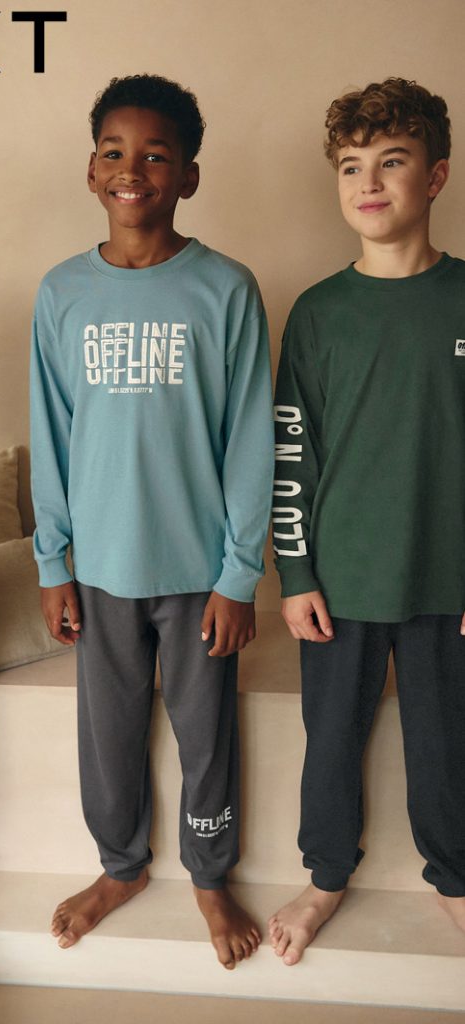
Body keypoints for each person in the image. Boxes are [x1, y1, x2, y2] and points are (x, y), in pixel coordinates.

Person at [31, 74, 274, 970]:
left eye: (156, 155)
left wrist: (238, 574)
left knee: (206, 735)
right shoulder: (62, 292)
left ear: (189, 176)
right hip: (99, 568)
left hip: (197, 570)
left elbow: (250, 437)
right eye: (114, 151)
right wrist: (52, 562)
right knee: (109, 732)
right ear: (91, 170)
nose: (131, 168)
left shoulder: (225, 288)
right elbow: (51, 434)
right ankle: (120, 867)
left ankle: (209, 875)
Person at [269, 77, 465, 966]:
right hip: (339, 581)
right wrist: (295, 573)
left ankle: (454, 878)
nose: (369, 182)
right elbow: (291, 452)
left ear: (436, 176)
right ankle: (324, 877)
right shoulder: (318, 313)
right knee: (331, 741)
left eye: (391, 161)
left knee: (445, 743)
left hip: (444, 580)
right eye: (351, 166)